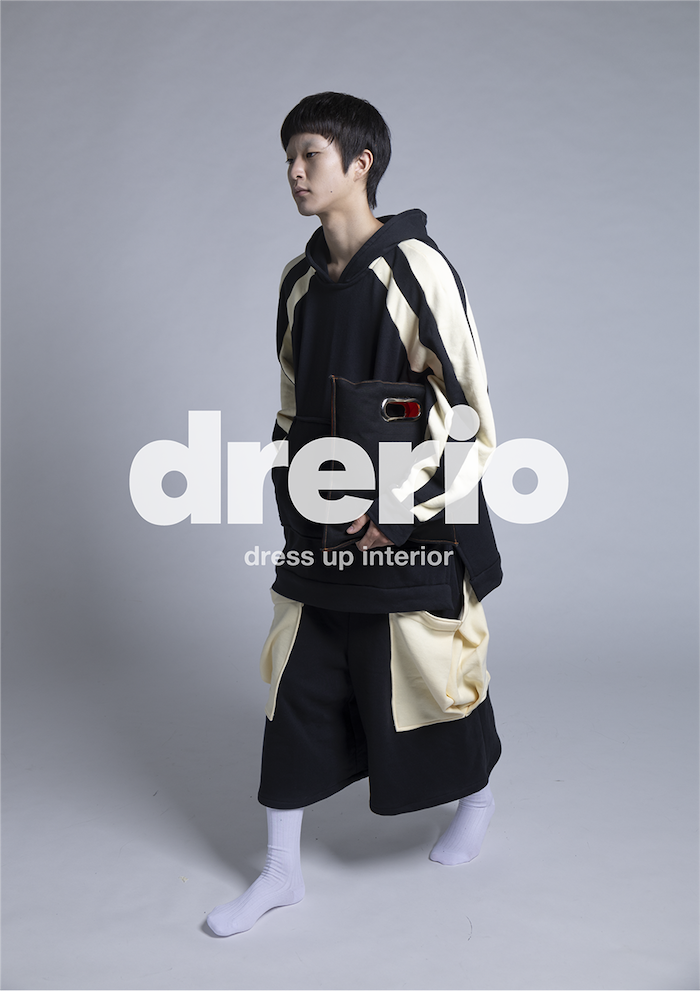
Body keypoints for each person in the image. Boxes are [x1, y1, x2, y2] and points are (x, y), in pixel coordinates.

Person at [207, 92, 502, 937]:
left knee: (427, 682)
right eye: (288, 159)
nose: (294, 172)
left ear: (360, 162)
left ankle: (476, 798)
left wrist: (399, 513)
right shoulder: (298, 282)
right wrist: (298, 500)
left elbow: (471, 413)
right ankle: (281, 871)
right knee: (297, 680)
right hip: (323, 522)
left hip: (418, 522)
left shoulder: (417, 268)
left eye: (310, 155)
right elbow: (291, 404)